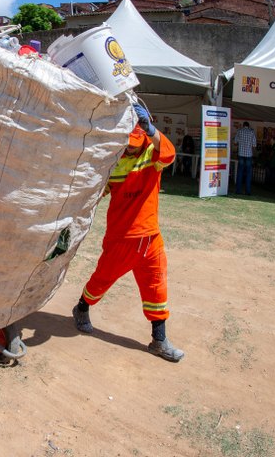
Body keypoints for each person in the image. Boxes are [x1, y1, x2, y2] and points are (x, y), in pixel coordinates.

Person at [71, 102, 184, 363]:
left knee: (156, 286)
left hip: (150, 237)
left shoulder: (152, 155)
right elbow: (101, 191)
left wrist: (152, 130)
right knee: (102, 279)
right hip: (122, 238)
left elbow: (169, 154)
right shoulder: (117, 160)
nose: (131, 145)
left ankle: (159, 340)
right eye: (128, 141)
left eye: (136, 140)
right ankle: (82, 308)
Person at [233, 121, 257, 195]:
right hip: (249, 155)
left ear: (243, 125)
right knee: (248, 173)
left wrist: (240, 144)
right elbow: (254, 145)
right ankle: (248, 191)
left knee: (240, 172)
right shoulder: (252, 132)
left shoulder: (239, 131)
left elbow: (235, 142)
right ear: (248, 126)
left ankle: (238, 191)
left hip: (241, 154)